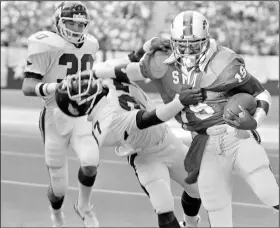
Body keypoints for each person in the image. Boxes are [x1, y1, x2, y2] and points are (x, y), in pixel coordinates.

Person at [92, 10, 279, 227]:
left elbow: (261, 93)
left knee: (266, 189)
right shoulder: (160, 63)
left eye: (194, 44)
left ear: (206, 40)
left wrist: (255, 120)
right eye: (183, 44)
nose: (188, 50)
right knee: (215, 204)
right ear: (173, 42)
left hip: (234, 132)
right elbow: (117, 69)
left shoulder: (224, 61)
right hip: (203, 142)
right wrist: (137, 53)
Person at [54, 70, 203, 228]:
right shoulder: (108, 119)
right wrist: (179, 102)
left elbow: (135, 64)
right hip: (146, 158)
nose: (86, 84)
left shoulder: (107, 77)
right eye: (79, 89)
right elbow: (150, 118)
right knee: (164, 209)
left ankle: (191, 224)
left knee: (198, 189)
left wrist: (150, 48)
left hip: (168, 140)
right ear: (80, 105)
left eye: (80, 83)